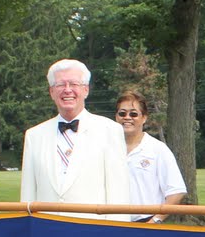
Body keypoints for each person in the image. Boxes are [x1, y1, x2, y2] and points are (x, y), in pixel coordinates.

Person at [19, 59, 130, 216]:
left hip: (93, 232)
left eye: (74, 84)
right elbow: (28, 197)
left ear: (85, 90)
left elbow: (119, 195)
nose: (67, 90)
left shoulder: (110, 131)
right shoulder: (34, 136)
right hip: (46, 232)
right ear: (51, 92)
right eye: (60, 85)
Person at [115, 91, 187, 223]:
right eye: (122, 113)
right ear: (116, 117)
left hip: (147, 223)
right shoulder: (106, 148)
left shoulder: (158, 150)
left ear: (144, 117)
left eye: (133, 114)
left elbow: (176, 192)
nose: (127, 117)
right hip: (111, 223)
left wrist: (156, 220)